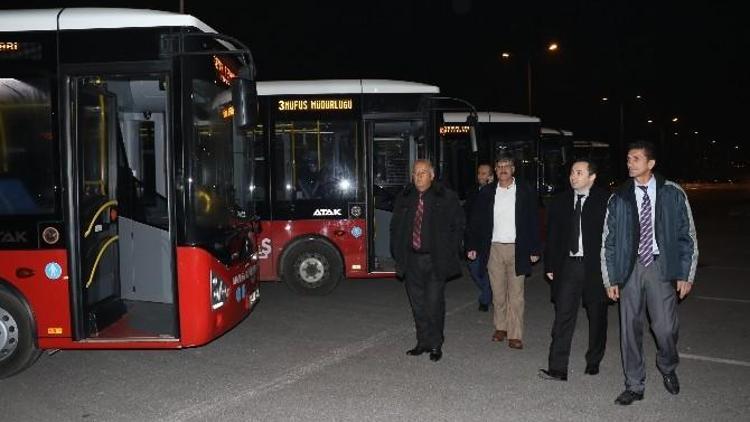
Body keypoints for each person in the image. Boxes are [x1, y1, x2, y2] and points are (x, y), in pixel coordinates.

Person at [602, 141, 698, 405]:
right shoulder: (619, 196)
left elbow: (686, 235)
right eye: (628, 158)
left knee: (665, 328)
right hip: (629, 267)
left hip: (660, 266)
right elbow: (608, 241)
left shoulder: (672, 193)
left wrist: (685, 273)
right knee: (629, 329)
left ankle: (667, 366)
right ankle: (634, 384)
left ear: (650, 163)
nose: (629, 163)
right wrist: (610, 278)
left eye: (635, 158)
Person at [539, 158, 609, 381]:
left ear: (592, 177)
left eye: (579, 172)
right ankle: (557, 368)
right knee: (563, 316)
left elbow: (614, 239)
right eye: (572, 172)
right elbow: (552, 236)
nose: (573, 176)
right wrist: (550, 264)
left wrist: (613, 272)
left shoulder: (605, 201)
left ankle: (594, 360)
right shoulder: (560, 201)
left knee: (597, 315)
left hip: (595, 267)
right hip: (568, 265)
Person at [390, 159, 464, 362]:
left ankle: (435, 344)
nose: (419, 176)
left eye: (423, 172)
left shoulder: (446, 197)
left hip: (435, 260)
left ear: (432, 175)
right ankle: (422, 342)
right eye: (415, 173)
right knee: (418, 305)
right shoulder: (405, 197)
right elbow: (395, 227)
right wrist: (398, 252)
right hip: (412, 259)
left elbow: (458, 226)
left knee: (433, 304)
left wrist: (449, 251)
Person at [466, 154, 541, 350]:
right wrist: (472, 246)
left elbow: (534, 220)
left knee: (516, 294)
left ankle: (515, 334)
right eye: (499, 166)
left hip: (518, 248)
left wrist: (534, 248)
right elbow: (476, 221)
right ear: (495, 171)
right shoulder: (488, 192)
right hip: (493, 248)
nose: (503, 169)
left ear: (513, 169)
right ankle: (501, 327)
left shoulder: (524, 190)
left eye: (507, 166)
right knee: (498, 292)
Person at [464, 163, 494, 312]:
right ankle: (490, 292)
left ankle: (485, 298)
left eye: (484, 173)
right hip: (474, 237)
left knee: (489, 269)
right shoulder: (472, 192)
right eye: (479, 173)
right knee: (474, 267)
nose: (480, 176)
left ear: (491, 176)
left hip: (491, 238)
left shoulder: (496, 192)